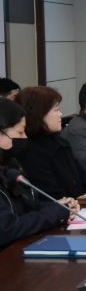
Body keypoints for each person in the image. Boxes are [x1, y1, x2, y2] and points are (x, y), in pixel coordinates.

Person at [0, 98, 78, 248]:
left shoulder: (10, 165)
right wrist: (54, 213)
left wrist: (57, 206)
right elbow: (7, 229)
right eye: (20, 132)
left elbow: (28, 208)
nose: (25, 138)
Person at [14, 87, 86, 199]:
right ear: (38, 113)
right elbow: (50, 196)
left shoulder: (60, 142)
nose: (61, 114)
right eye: (56, 110)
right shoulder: (30, 152)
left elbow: (81, 180)